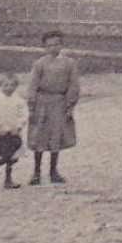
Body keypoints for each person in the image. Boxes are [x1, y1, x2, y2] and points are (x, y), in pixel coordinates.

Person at [25, 30, 81, 186]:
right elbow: (33, 85)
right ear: (44, 47)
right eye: (49, 45)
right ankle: (36, 173)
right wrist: (31, 105)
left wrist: (70, 106)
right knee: (39, 137)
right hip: (42, 103)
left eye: (56, 44)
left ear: (62, 45)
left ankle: (53, 171)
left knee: (56, 137)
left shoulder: (70, 63)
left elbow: (73, 85)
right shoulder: (39, 64)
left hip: (59, 102)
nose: (52, 48)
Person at [0, 73, 27, 191]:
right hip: (0, 134)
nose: (8, 88)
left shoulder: (19, 100)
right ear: (0, 85)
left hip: (13, 132)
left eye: (11, 85)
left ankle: (8, 180)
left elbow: (24, 115)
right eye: (5, 85)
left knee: (11, 156)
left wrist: (18, 127)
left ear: (16, 86)